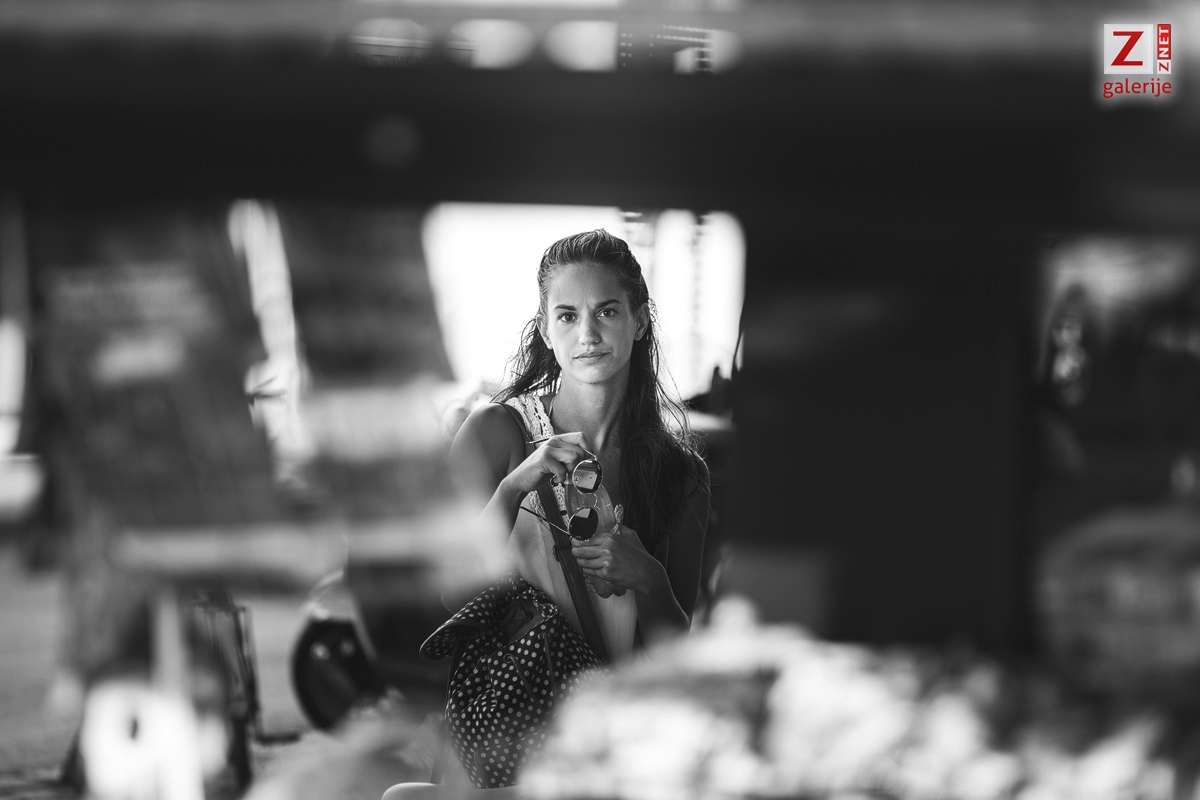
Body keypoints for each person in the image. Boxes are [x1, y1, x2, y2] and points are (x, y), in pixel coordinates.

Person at [383, 229, 709, 800]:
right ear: (544, 329)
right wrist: (514, 487)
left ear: (639, 320)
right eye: (567, 315)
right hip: (502, 743)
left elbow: (673, 655)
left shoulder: (681, 474)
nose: (588, 334)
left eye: (607, 311)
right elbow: (446, 599)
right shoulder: (495, 434)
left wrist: (649, 579)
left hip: (612, 758)